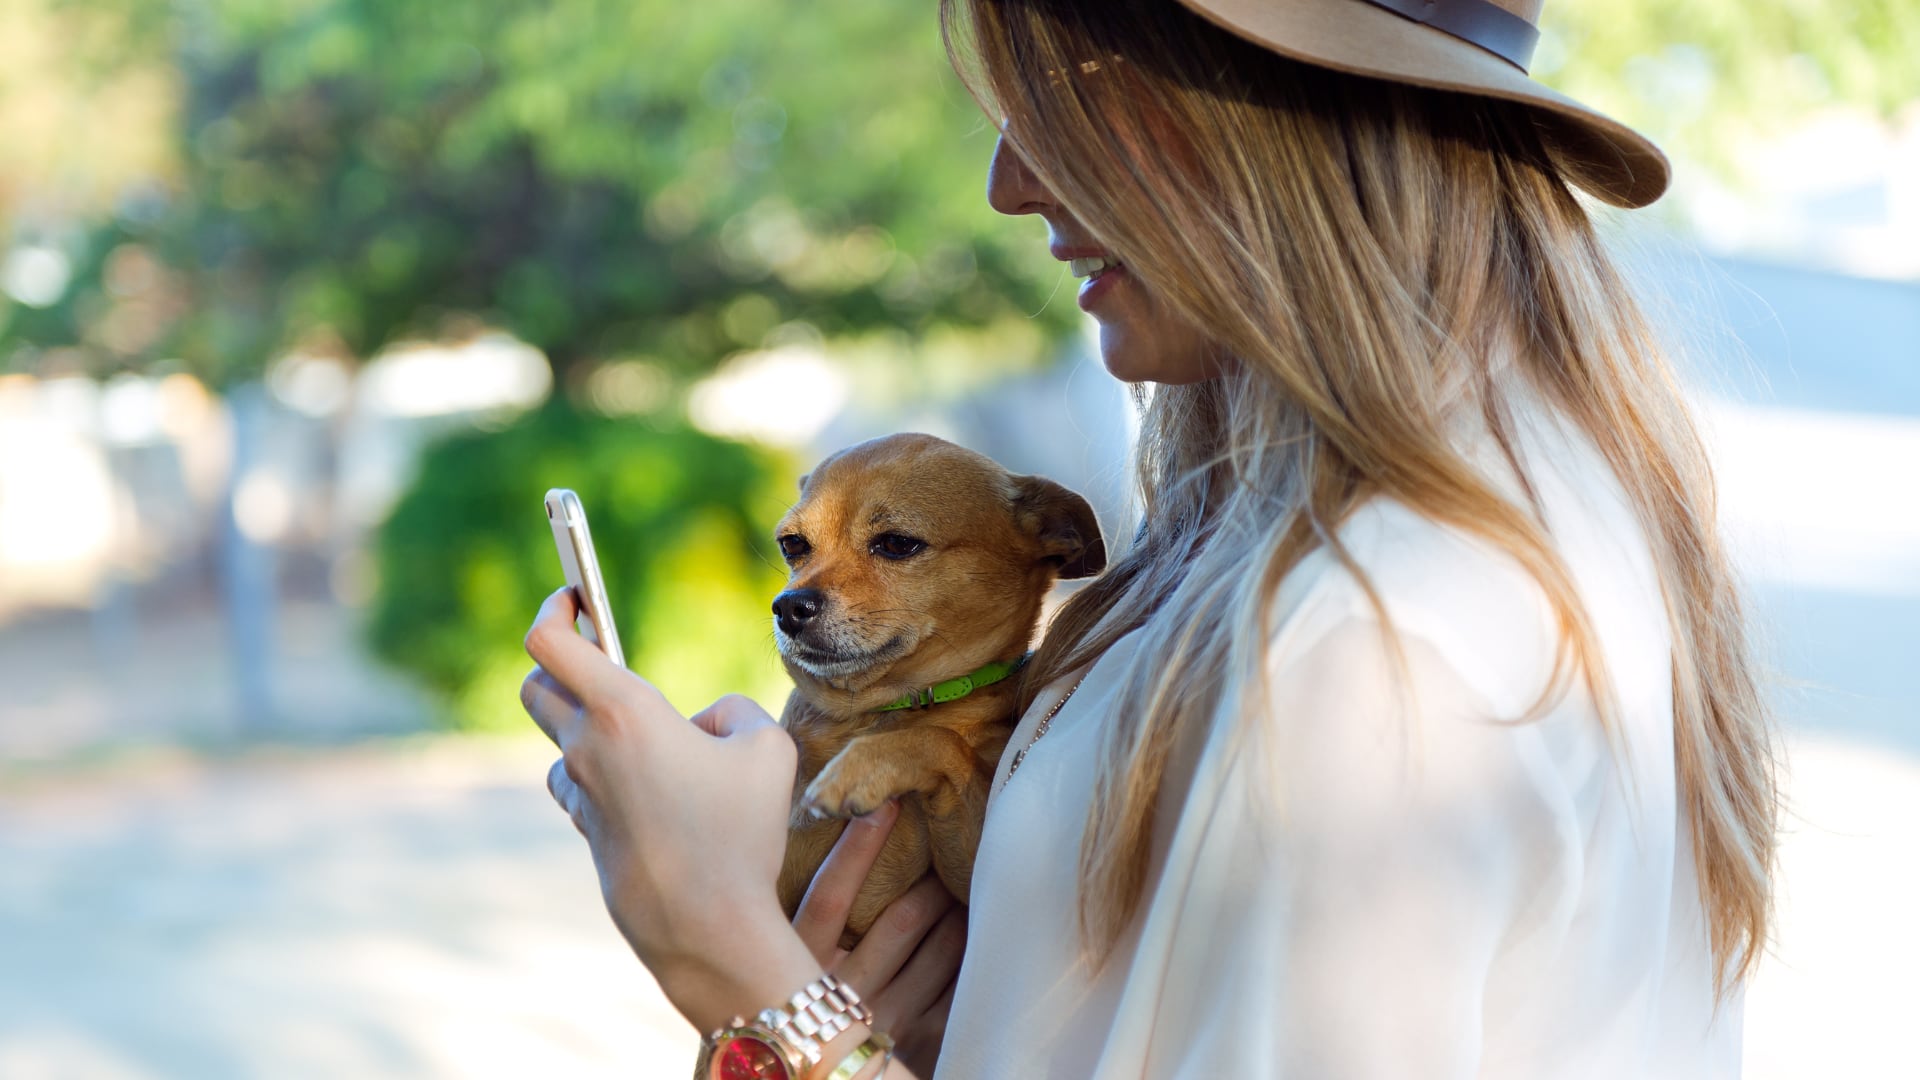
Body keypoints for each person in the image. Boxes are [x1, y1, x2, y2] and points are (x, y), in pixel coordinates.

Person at [518, 1, 1779, 1077]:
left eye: (1067, 87)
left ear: (1279, 105)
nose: (1010, 181)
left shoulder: (1378, 637)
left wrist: (730, 959)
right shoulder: (1444, 524)